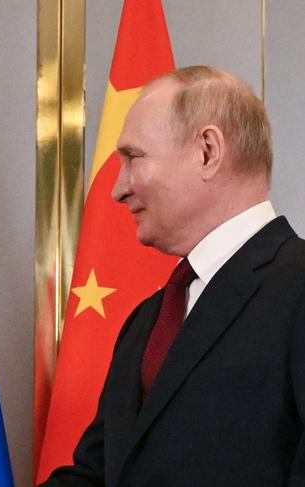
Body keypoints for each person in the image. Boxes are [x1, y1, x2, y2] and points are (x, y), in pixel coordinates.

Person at [39, 66, 305, 486]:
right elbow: (98, 476)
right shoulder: (148, 321)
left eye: (133, 157)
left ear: (207, 151)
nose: (118, 189)